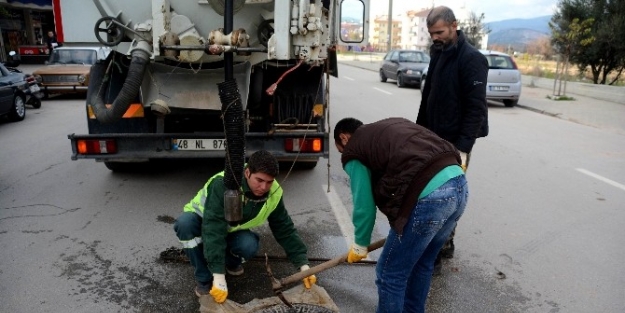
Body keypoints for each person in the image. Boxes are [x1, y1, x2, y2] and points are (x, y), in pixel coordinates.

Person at [334, 117, 468, 313]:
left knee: (389, 273)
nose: (343, 154)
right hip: (459, 185)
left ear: (344, 138)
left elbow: (364, 204)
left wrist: (360, 244)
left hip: (431, 197)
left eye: (340, 149)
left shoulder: (354, 149)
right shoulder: (388, 128)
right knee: (421, 263)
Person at [173, 150, 317, 303]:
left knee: (248, 245)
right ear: (247, 172)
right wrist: (218, 275)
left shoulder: (274, 192)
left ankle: (229, 262)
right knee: (185, 224)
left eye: (269, 182)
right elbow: (213, 229)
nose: (264, 187)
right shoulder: (223, 184)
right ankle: (204, 278)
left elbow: (284, 228)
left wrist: (304, 266)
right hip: (203, 222)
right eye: (259, 180)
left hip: (230, 230)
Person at [416, 6, 488, 274]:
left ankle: (434, 254)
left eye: (440, 32)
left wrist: (463, 148)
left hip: (456, 142)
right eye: (431, 33)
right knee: (435, 192)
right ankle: (444, 245)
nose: (435, 37)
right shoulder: (439, 53)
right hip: (434, 138)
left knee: (444, 196)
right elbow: (429, 96)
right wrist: (418, 132)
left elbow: (476, 109)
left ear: (454, 26)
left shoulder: (472, 59)